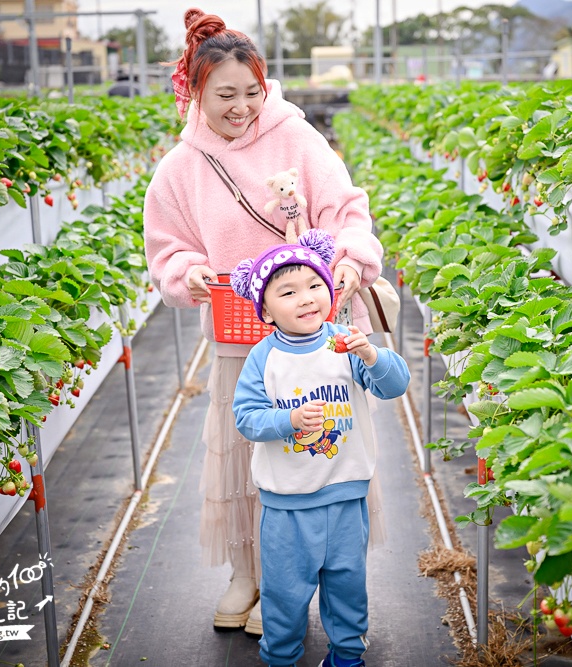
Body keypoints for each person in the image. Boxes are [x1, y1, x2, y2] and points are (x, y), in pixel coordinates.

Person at [143, 8, 385, 637]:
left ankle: (299, 581)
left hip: (317, 333)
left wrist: (352, 264)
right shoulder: (180, 168)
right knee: (248, 450)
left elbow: (347, 210)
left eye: (252, 91)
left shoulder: (297, 138)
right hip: (239, 337)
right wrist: (191, 273)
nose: (242, 107)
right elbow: (166, 248)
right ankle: (246, 574)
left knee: (317, 450)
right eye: (225, 95)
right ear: (194, 92)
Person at [229, 229, 410, 667]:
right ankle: (282, 656)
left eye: (314, 286)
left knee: (348, 587)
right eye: (288, 291)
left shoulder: (344, 343)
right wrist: (287, 421)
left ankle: (347, 656)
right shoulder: (264, 358)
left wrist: (372, 355)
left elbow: (395, 385)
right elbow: (246, 417)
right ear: (266, 312)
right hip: (287, 505)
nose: (306, 297)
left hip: (346, 496)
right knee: (284, 594)